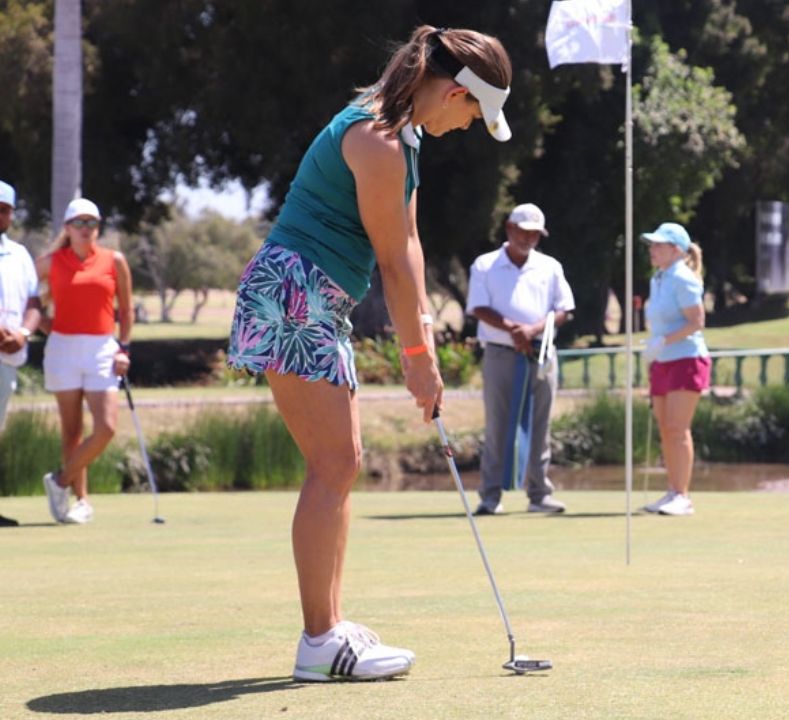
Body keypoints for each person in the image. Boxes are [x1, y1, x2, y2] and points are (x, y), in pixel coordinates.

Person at [227, 25, 511, 682]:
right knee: (336, 463)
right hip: (296, 291)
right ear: (451, 89)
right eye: (473, 110)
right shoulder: (380, 141)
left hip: (316, 297)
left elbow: (409, 242)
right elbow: (388, 260)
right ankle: (319, 642)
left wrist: (426, 349)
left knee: (339, 465)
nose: (470, 125)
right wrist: (414, 355)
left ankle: (328, 625)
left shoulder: (403, 135)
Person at [466, 203, 575, 515]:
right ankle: (490, 496)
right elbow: (479, 308)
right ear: (509, 228)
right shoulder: (485, 265)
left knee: (540, 424)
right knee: (497, 425)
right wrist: (513, 330)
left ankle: (539, 494)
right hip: (501, 354)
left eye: (535, 235)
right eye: (523, 232)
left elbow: (564, 309)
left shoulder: (549, 266)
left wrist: (533, 329)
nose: (528, 239)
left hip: (541, 352)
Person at [35, 198, 132, 526]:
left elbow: (127, 309)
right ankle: (81, 501)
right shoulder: (49, 262)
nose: (87, 229)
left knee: (105, 428)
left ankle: (60, 481)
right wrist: (44, 326)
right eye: (80, 223)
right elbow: (30, 298)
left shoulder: (113, 260)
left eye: (92, 222)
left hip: (102, 348)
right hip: (62, 348)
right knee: (72, 431)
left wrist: (124, 348)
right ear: (67, 228)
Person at [640, 222, 709, 517]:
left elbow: (696, 321)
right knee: (666, 429)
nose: (652, 250)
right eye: (652, 244)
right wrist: (654, 347)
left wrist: (663, 340)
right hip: (663, 360)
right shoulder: (659, 278)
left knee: (678, 429)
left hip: (687, 359)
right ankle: (672, 490)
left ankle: (683, 496)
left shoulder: (682, 277)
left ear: (676, 250)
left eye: (659, 245)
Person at [0, 180, 41, 527]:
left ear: (11, 214)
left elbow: (34, 303)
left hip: (7, 357)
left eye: (3, 208)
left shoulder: (19, 255)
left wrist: (24, 332)